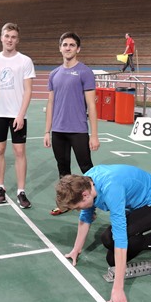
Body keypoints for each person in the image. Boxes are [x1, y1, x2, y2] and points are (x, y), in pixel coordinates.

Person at [55, 164, 151, 302]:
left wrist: (118, 289)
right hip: (136, 206)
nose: (78, 210)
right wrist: (76, 250)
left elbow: (120, 240)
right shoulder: (85, 182)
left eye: (77, 207)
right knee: (109, 248)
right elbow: (85, 218)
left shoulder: (111, 189)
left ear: (85, 195)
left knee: (113, 246)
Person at [0, 22, 36, 209]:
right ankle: (0, 187)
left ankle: (21, 191)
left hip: (17, 114)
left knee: (19, 152)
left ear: (17, 40)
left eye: (13, 37)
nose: (10, 40)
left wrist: (21, 114)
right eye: (7, 36)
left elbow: (28, 90)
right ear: (1, 38)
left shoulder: (25, 61)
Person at [44, 31, 100, 216]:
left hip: (78, 130)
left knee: (87, 170)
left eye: (72, 45)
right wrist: (47, 131)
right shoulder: (54, 74)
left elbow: (91, 105)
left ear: (78, 49)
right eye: (65, 45)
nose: (68, 48)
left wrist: (94, 135)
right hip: (58, 131)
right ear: (60, 48)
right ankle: (65, 204)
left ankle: (92, 207)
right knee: (63, 171)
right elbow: (50, 103)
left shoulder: (85, 72)